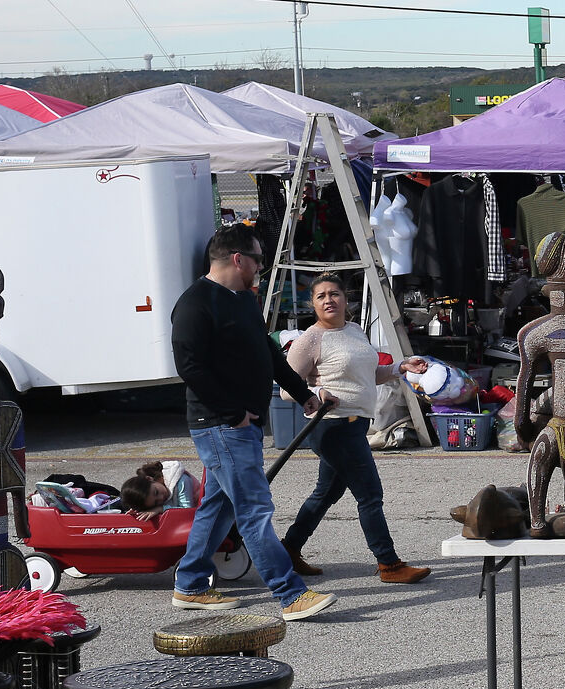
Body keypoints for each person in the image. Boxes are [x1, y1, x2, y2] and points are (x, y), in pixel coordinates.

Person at [168, 225, 335, 619]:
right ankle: (290, 594)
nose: (261, 266)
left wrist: (303, 393)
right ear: (238, 258)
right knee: (254, 508)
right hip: (221, 425)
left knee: (219, 506)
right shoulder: (194, 304)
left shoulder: (242, 300)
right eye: (258, 258)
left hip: (240, 425)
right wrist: (232, 412)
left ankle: (190, 584)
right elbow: (189, 367)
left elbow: (271, 355)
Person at [280, 272, 434, 585]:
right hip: (333, 426)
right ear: (313, 304)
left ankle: (288, 550)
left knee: (326, 493)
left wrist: (400, 368)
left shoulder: (355, 330)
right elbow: (287, 387)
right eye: (321, 296)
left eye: (334, 294)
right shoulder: (310, 338)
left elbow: (368, 374)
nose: (328, 300)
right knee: (370, 494)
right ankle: (389, 564)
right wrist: (317, 393)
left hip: (355, 425)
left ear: (345, 299)